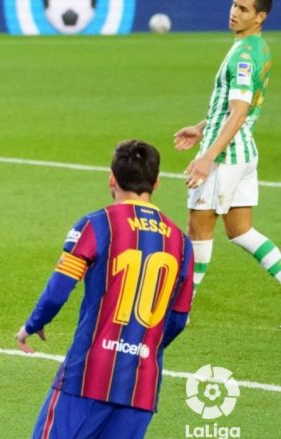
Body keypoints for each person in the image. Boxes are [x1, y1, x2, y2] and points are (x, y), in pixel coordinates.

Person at [15, 140, 195, 439]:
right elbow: (177, 319)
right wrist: (140, 348)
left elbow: (59, 290)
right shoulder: (181, 241)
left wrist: (33, 324)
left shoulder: (97, 224)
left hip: (89, 374)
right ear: (156, 183)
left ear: (112, 178)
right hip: (141, 384)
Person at [174, 0, 279, 295]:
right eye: (234, 5)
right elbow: (235, 108)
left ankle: (182, 308)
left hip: (225, 156)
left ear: (260, 17)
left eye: (244, 9)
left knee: (198, 231)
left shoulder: (244, 57)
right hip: (244, 151)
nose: (234, 12)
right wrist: (201, 127)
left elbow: (239, 112)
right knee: (241, 231)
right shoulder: (258, 47)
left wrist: (208, 157)